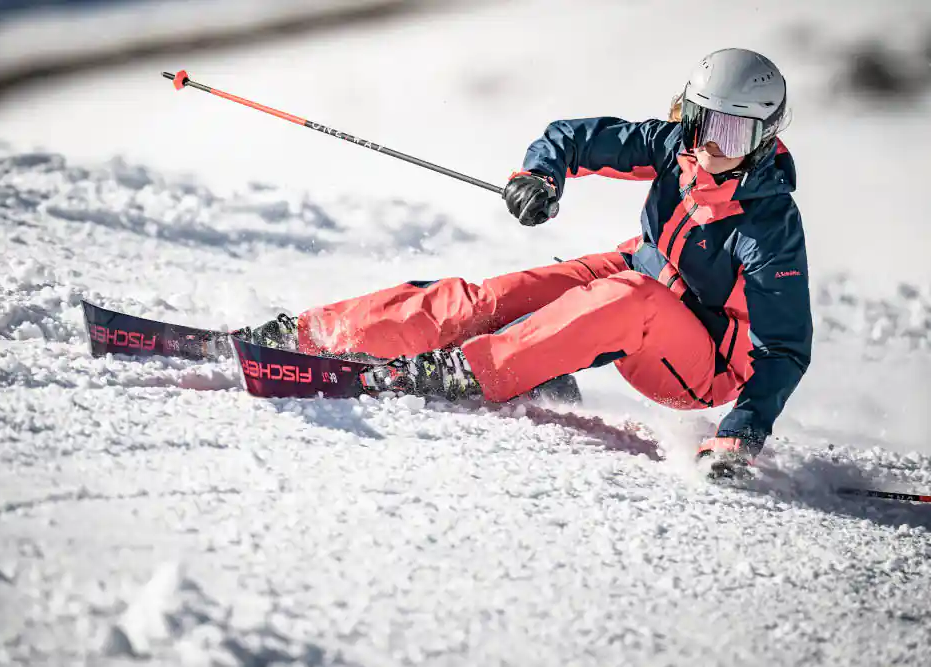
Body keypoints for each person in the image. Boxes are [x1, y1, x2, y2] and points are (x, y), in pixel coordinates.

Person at [237, 48, 812, 478]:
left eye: (733, 131)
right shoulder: (673, 148)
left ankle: (471, 372)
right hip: (635, 276)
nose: (711, 146)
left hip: (698, 363)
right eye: (701, 121)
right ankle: (314, 334)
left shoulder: (769, 226)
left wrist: (741, 433)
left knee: (627, 296)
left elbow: (783, 349)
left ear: (764, 137)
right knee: (487, 301)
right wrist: (539, 175)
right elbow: (574, 138)